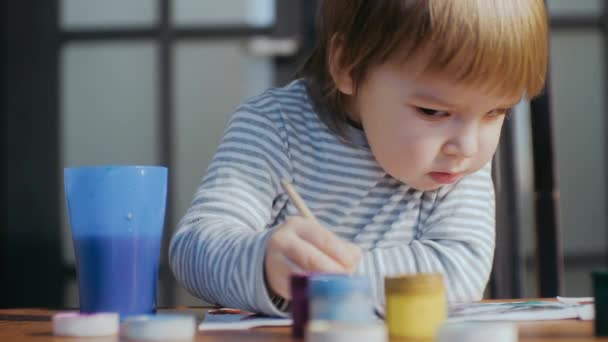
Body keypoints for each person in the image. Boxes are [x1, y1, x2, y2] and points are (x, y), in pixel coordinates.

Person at [169, 0, 548, 316]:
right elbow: (193, 249)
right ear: (348, 66)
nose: (466, 146)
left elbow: (459, 272)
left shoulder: (457, 165)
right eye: (433, 112)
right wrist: (264, 265)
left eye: (496, 112)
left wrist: (330, 284)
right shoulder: (274, 127)